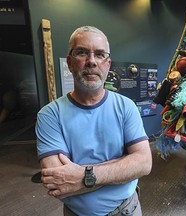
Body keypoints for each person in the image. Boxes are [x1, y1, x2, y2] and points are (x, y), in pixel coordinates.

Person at [35, 26, 152, 216]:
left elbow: (144, 163)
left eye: (99, 54)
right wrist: (122, 167)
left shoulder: (126, 106)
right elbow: (58, 183)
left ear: (108, 64)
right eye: (82, 52)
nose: (91, 61)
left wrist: (83, 175)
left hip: (127, 210)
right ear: (70, 63)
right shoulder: (49, 115)